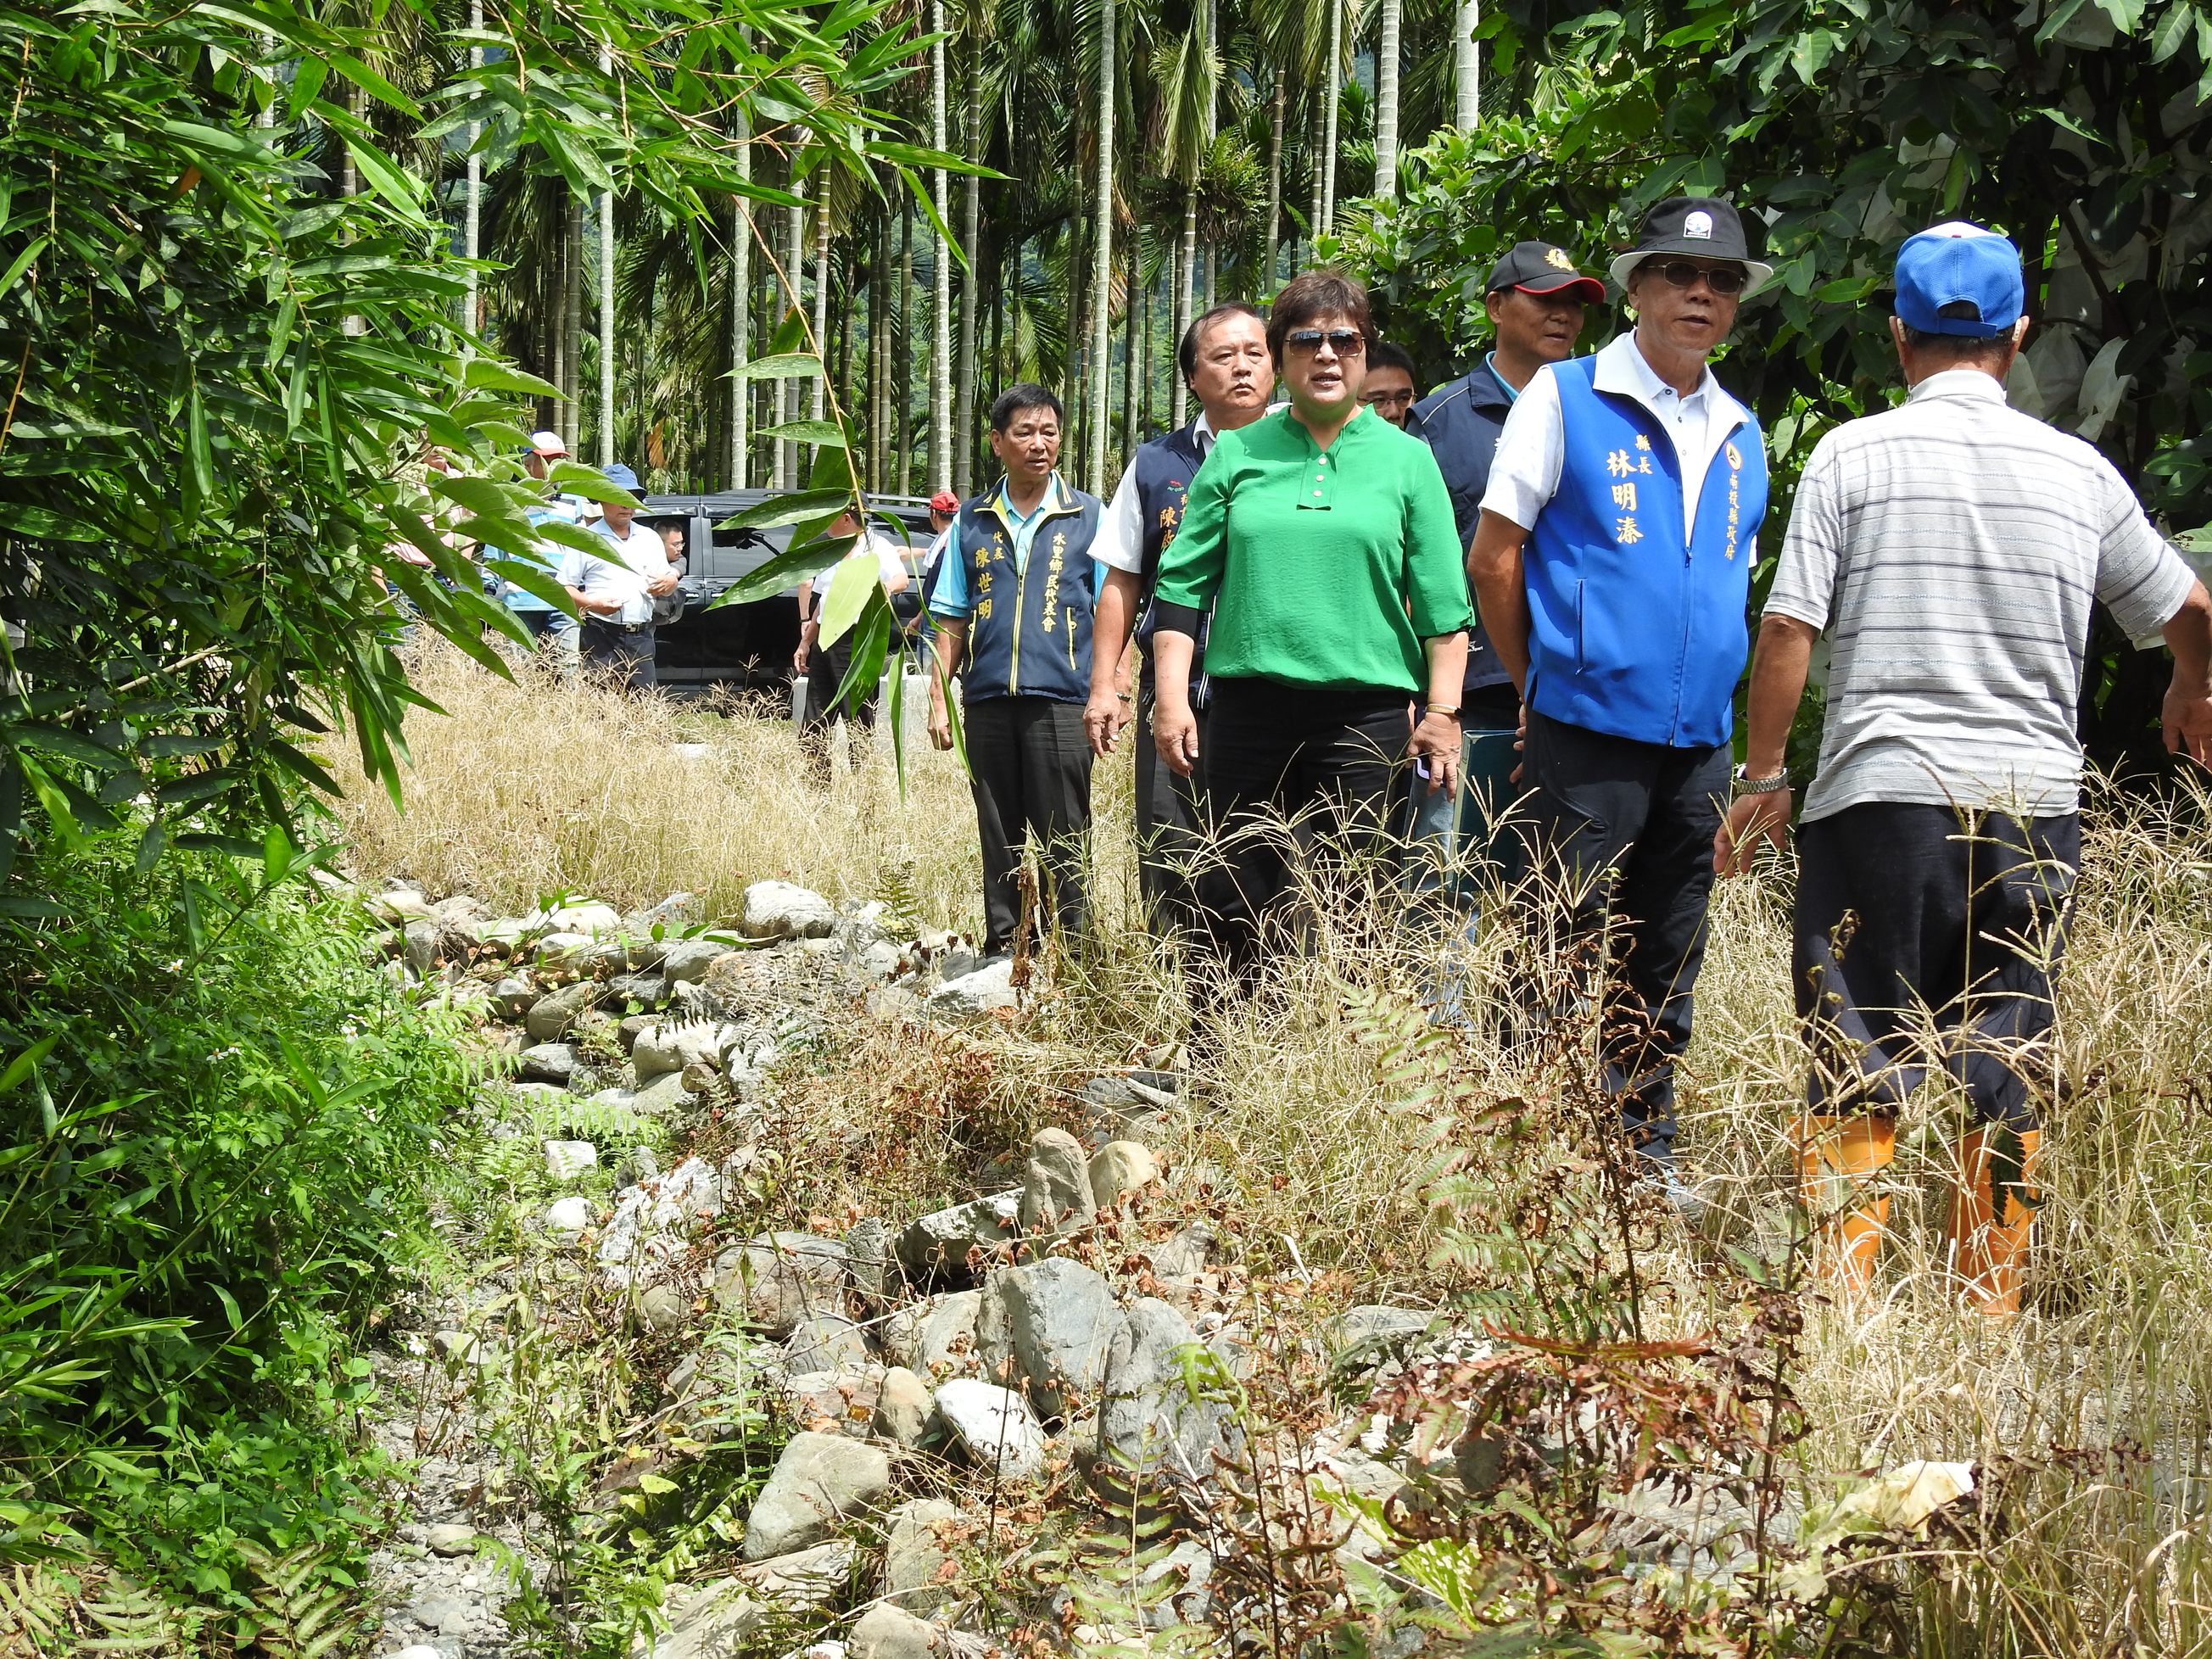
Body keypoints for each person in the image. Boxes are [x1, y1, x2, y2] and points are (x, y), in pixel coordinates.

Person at [1715, 222, 2212, 1311]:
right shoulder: (2075, 471)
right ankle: (1984, 1317)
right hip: (2031, 806)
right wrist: (2188, 685)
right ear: (2018, 335)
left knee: (1859, 1045)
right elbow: (2190, 606)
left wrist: (1760, 778)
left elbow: (1791, 628)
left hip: (1880, 799)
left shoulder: (1851, 454)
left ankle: (1846, 1320)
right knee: (2009, 1054)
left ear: (1898, 336)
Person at [1466, 196, 1774, 1212]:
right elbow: (1494, 558)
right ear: (1637, 286)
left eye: (1722, 280)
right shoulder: (1563, 396)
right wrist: (1538, 681)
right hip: (1582, 730)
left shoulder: (1742, 429)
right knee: (1550, 938)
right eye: (1681, 275)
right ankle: (1533, 1145)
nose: (1701, 294)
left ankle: (1643, 1150)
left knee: (1667, 948)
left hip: (1697, 746)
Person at [1150, 271, 1471, 975]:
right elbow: (1179, 589)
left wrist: (1443, 712)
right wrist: (1171, 699)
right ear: (1280, 355)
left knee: (1355, 904)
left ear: (1365, 351)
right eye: (1306, 341)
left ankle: (1346, 1070)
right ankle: (1227, 1070)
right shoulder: (1236, 454)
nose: (1327, 356)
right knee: (1233, 897)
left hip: (1364, 717)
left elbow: (1445, 614)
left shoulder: (1409, 462)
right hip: (1247, 712)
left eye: (1345, 340)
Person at [1406, 243, 1606, 897]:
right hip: (1475, 695)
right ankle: (1441, 1008)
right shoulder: (1438, 422)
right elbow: (1408, 560)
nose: (1565, 317)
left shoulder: (1603, 414)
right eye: (1546, 300)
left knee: (1558, 892)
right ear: (1496, 307)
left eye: (1575, 304)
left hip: (1579, 694)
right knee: (1448, 886)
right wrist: (1426, 699)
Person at [1086, 301, 1274, 935]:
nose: (1242, 367)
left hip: (1276, 690)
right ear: (1194, 377)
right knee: (1171, 846)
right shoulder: (1157, 464)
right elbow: (1121, 579)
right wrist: (1104, 683)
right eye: (1223, 356)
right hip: (1179, 691)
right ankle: (1179, 982)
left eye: (1256, 353)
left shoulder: (1307, 454)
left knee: (1268, 848)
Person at [927, 386, 1108, 959]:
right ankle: (1004, 950)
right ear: (997, 443)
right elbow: (952, 616)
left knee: (1065, 837)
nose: (1040, 444)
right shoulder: (971, 523)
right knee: (998, 835)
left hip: (1063, 701)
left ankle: (1073, 955)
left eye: (1049, 432)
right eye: (1026, 433)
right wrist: (940, 700)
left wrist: (1113, 689)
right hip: (986, 701)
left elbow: (1112, 613)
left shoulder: (1089, 517)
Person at [795, 501, 913, 783]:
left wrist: (879, 589)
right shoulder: (832, 550)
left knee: (857, 719)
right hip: (825, 640)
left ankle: (863, 789)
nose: (825, 524)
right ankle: (817, 788)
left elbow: (901, 579)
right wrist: (806, 642)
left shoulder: (876, 546)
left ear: (847, 518)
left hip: (856, 640)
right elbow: (823, 602)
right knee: (814, 721)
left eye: (831, 517)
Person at [558, 462, 677, 690]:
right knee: (600, 708)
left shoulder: (649, 538)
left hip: (641, 637)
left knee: (645, 709)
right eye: (619, 496)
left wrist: (670, 580)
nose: (626, 505)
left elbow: (667, 580)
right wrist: (592, 604)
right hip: (600, 635)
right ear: (601, 498)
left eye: (631, 497)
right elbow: (564, 587)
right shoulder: (585, 539)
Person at [489, 431, 589, 652]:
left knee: (566, 669)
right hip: (519, 601)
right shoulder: (510, 502)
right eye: (547, 461)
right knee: (519, 669)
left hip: (563, 599)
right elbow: (494, 550)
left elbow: (581, 548)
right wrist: (488, 593)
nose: (553, 467)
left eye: (558, 461)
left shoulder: (573, 501)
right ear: (528, 465)